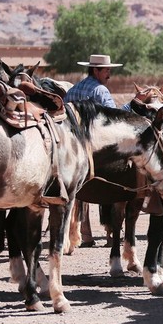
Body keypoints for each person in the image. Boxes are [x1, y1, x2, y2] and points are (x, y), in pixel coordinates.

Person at [64, 53, 123, 246]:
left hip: (73, 146)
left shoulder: (72, 90)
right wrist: (135, 104)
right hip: (96, 146)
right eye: (106, 70)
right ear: (95, 70)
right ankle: (112, 232)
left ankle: (84, 232)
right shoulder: (101, 91)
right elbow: (114, 119)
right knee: (117, 182)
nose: (109, 74)